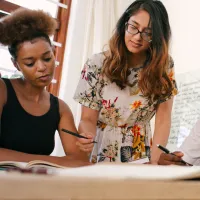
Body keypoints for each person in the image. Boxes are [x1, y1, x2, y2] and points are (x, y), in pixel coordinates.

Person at [74, 0, 178, 164]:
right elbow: (87, 118)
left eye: (148, 33)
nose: (137, 37)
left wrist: (154, 162)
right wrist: (86, 137)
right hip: (101, 147)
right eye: (133, 27)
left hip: (139, 151)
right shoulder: (97, 63)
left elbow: (163, 118)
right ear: (125, 24)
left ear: (157, 37)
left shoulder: (163, 66)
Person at [0, 8, 90, 167]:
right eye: (30, 63)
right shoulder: (3, 90)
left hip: (37, 186)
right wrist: (53, 161)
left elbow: (79, 161)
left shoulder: (60, 108)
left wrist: (84, 145)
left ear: (54, 52)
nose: (42, 67)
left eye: (47, 58)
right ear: (16, 65)